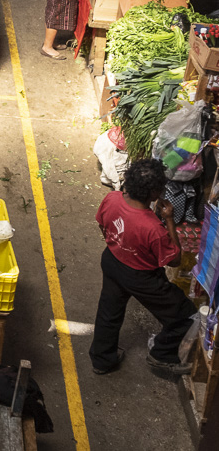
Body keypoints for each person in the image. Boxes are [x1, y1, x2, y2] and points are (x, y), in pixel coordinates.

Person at [90, 158, 195, 378]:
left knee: (109, 313)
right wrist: (169, 220)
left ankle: (102, 360)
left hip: (112, 260)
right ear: (155, 193)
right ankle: (162, 354)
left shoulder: (111, 199)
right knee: (184, 315)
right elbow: (174, 260)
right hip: (141, 276)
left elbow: (103, 225)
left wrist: (118, 246)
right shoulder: (153, 227)